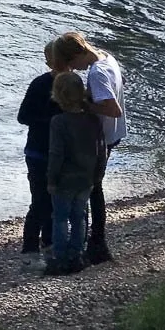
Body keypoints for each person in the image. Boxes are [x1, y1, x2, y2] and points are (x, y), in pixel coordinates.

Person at [51, 32, 126, 264]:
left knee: (92, 190)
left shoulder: (97, 73)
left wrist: (85, 105)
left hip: (101, 138)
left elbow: (114, 110)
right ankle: (91, 242)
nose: (74, 69)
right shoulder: (107, 58)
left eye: (72, 64)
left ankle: (96, 243)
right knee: (93, 188)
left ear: (76, 54)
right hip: (113, 134)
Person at [44, 71, 106, 276]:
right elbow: (101, 150)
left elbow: (56, 154)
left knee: (60, 217)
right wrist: (98, 175)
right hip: (86, 178)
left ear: (58, 95)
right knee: (79, 216)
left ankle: (60, 258)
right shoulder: (93, 120)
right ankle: (76, 254)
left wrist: (51, 179)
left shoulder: (58, 122)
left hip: (64, 180)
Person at [17, 43, 60, 254]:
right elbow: (22, 117)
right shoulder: (40, 84)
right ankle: (30, 246)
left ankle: (50, 240)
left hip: (54, 152)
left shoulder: (74, 84)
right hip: (39, 152)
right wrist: (54, 121)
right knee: (41, 201)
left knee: (52, 199)